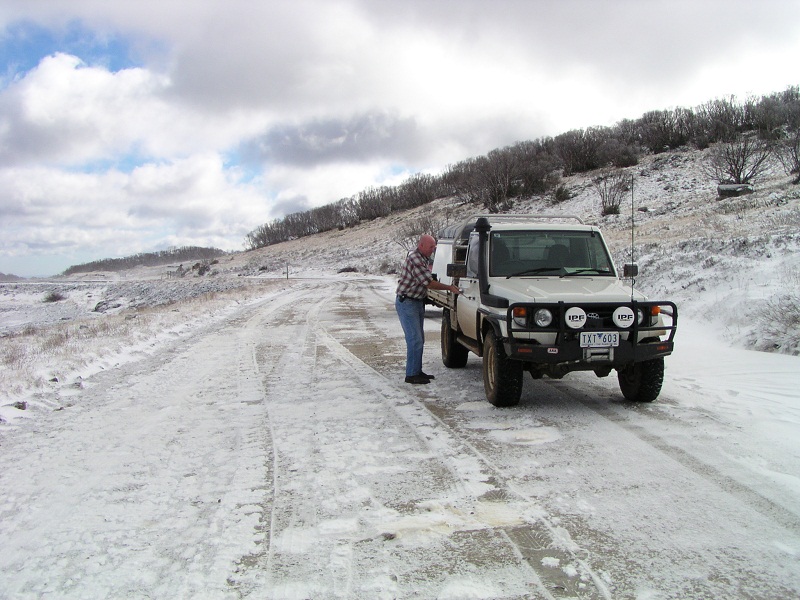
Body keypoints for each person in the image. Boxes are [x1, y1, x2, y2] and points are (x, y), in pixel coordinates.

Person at [395, 234, 460, 384]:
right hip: (407, 303)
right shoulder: (415, 259)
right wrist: (449, 287)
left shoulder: (422, 258)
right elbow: (428, 282)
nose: (433, 249)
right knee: (415, 339)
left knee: (419, 339)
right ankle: (411, 375)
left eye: (434, 246)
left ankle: (416, 370)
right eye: (431, 246)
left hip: (416, 301)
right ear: (421, 245)